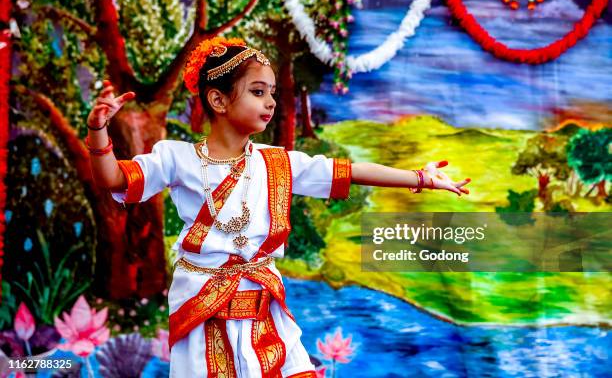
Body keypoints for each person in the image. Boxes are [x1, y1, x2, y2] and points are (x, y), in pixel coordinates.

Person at [85, 36, 471, 377]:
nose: (270, 102)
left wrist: (419, 178)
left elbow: (349, 172)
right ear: (218, 99)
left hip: (262, 302)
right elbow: (115, 180)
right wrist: (98, 131)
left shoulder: (277, 163)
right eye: (257, 91)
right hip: (203, 306)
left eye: (271, 92)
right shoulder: (176, 157)